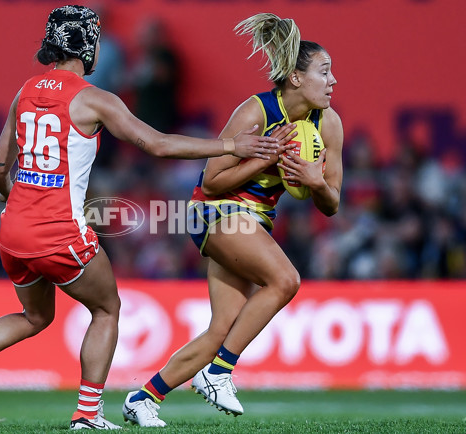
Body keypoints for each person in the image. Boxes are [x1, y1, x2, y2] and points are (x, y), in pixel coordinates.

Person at [0, 5, 294, 430]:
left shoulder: (24, 91)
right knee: (107, 308)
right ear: (87, 46)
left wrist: (13, 202)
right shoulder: (93, 99)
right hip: (59, 231)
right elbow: (157, 144)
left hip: (12, 231)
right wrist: (233, 146)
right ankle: (88, 414)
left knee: (35, 316)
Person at [122, 12, 343, 426]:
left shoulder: (328, 125)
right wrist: (265, 155)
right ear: (295, 78)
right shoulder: (256, 111)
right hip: (212, 210)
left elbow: (331, 204)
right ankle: (220, 372)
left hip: (254, 220)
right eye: (325, 72)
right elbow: (210, 182)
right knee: (286, 280)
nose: (333, 82)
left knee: (222, 330)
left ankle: (144, 398)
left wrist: (316, 183)